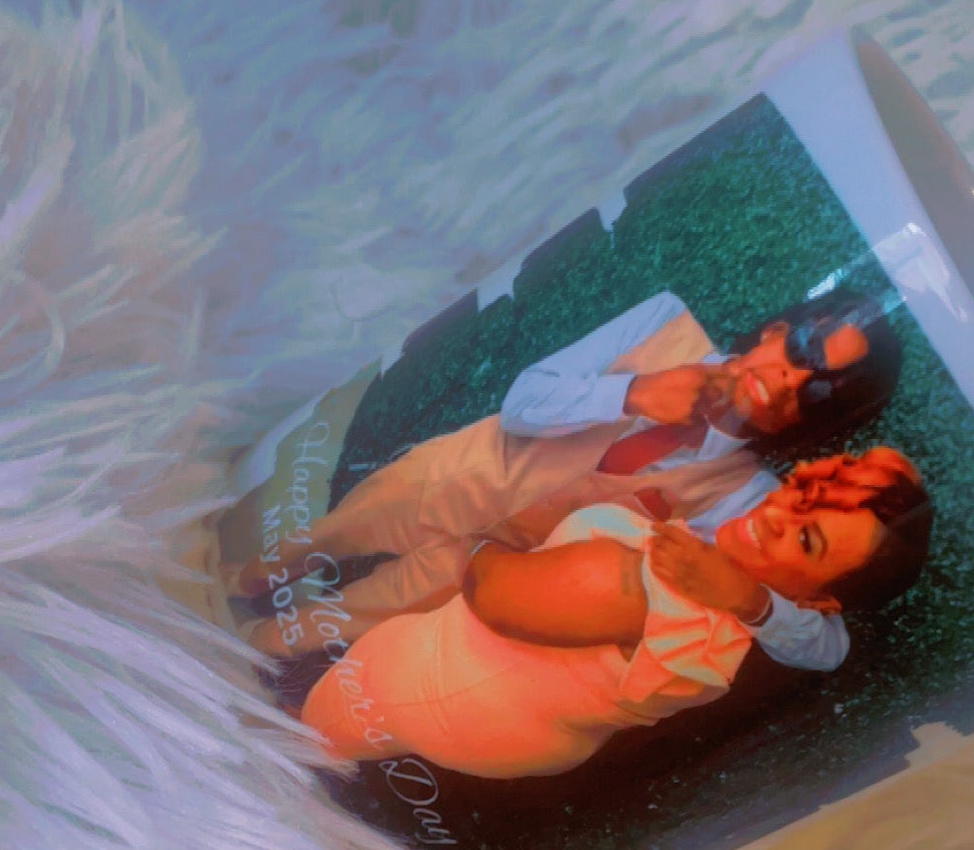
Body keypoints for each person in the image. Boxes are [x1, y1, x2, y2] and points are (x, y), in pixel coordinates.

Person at [226, 286, 903, 681]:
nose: (790, 380)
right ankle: (245, 574)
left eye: (819, 393)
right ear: (779, 329)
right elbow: (524, 401)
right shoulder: (665, 322)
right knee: (335, 532)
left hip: (493, 561)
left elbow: (828, 650)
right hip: (453, 476)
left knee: (367, 612)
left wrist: (750, 601)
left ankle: (244, 655)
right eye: (806, 352)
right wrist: (632, 393)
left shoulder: (745, 496)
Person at [298, 448, 932, 782]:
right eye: (803, 495)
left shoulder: (654, 590)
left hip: (440, 682)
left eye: (806, 540)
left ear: (819, 601)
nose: (776, 515)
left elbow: (496, 595)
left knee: (304, 742)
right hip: (500, 705)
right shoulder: (721, 605)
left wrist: (492, 538)